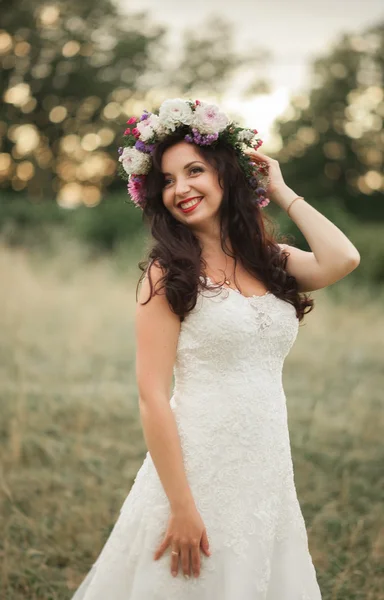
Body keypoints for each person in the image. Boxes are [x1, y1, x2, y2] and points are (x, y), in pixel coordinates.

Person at [71, 98, 360, 599]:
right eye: (166, 179)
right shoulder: (168, 275)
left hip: (266, 463)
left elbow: (343, 258)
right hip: (196, 466)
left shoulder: (273, 260)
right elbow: (152, 396)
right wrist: (181, 506)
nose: (180, 188)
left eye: (194, 171)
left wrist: (283, 191)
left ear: (225, 173)